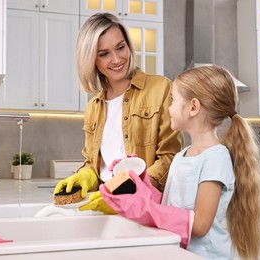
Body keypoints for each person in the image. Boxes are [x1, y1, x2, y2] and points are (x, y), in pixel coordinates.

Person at [99, 65, 260, 259]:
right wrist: (140, 185)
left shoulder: (215, 158)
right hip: (177, 252)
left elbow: (200, 225)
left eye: (173, 100)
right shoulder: (182, 155)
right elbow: (172, 206)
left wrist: (146, 208)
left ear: (193, 107)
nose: (168, 108)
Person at [53, 13, 183, 200]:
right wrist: (85, 176)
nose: (116, 59)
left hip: (145, 202)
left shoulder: (161, 89)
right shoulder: (93, 107)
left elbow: (170, 157)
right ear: (92, 60)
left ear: (129, 46)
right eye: (104, 54)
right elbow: (94, 164)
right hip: (106, 199)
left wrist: (131, 188)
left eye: (120, 47)